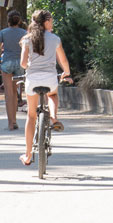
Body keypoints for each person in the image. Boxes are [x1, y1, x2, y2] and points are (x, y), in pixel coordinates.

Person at [18, 9, 72, 166]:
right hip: (50, 79)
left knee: (31, 116)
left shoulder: (27, 39)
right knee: (52, 95)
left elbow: (23, 63)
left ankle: (28, 155)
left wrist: (30, 65)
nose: (52, 24)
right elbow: (63, 60)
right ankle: (54, 117)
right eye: (51, 21)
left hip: (32, 80)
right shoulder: (55, 39)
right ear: (46, 22)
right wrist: (66, 73)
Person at [0, 10, 27, 130]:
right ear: (19, 21)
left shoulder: (3, 32)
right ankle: (15, 121)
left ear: (8, 21)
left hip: (7, 63)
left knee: (8, 94)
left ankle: (10, 123)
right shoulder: (24, 33)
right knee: (15, 93)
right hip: (20, 63)